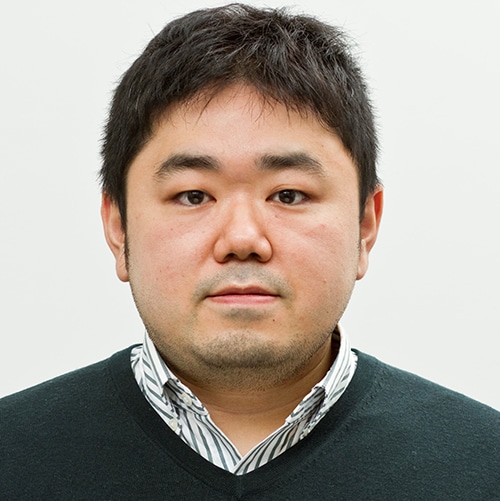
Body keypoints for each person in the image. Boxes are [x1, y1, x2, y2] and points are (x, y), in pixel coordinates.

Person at [1, 4, 498, 499]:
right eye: (193, 195)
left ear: (366, 225)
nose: (242, 239)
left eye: (289, 195)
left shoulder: (485, 465)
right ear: (117, 226)